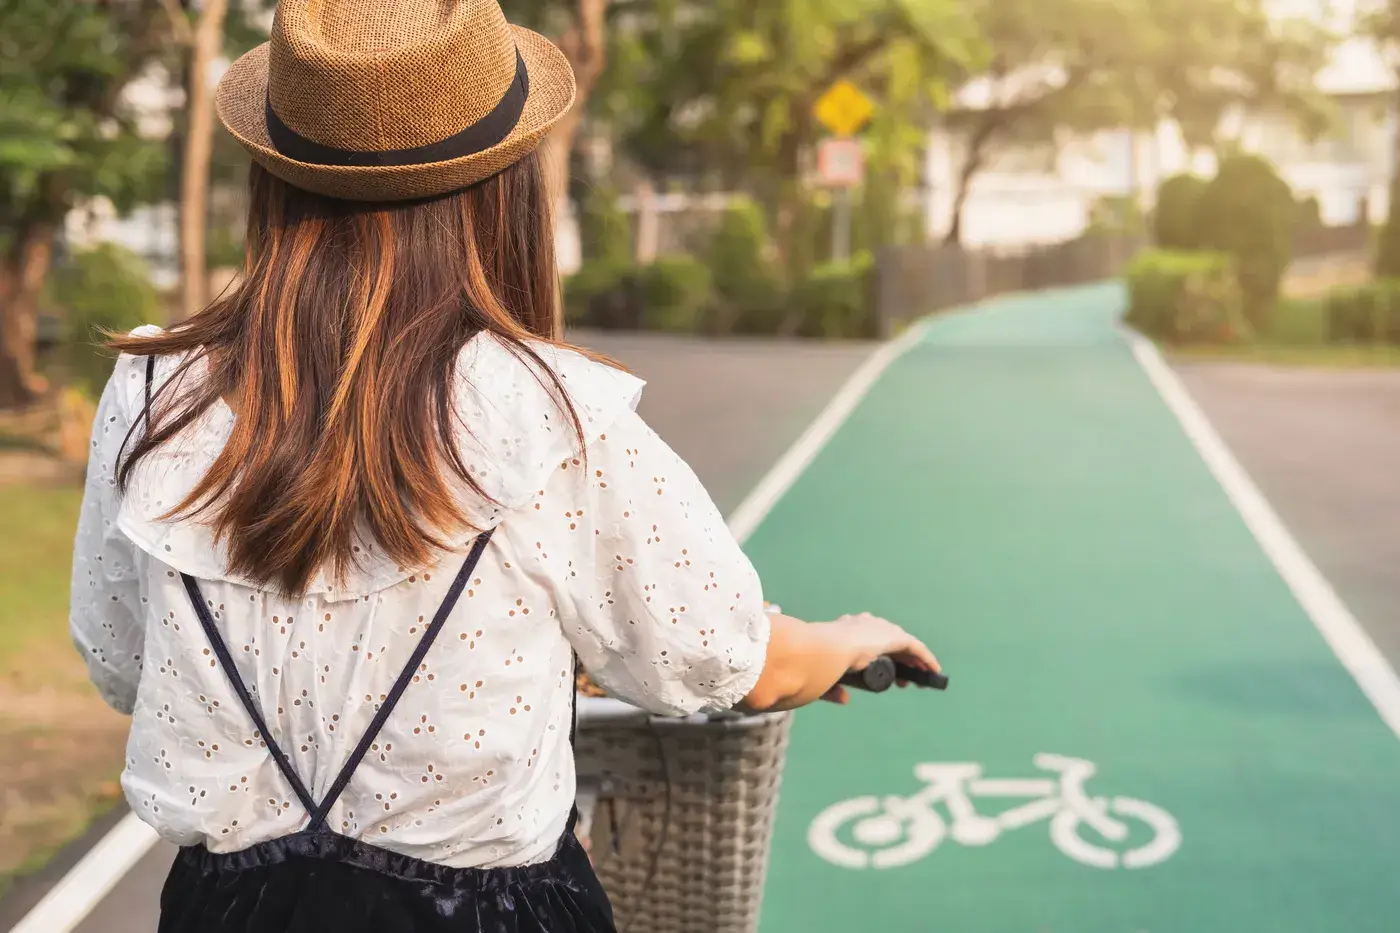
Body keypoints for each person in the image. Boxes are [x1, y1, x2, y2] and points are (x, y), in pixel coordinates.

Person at [68, 1, 939, 931]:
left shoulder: (156, 392)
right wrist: (850, 638)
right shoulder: (552, 415)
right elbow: (719, 657)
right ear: (504, 187)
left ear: (275, 184)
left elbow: (125, 659)